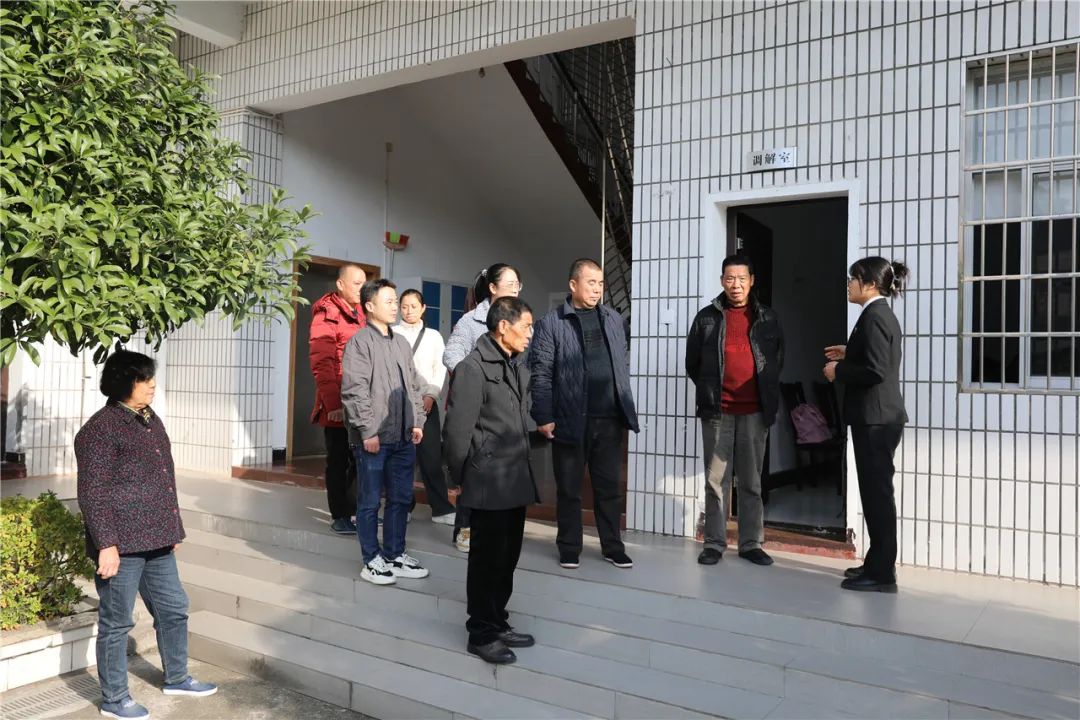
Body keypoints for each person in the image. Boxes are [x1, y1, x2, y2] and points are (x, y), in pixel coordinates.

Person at [75, 351, 217, 720]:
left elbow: (164, 476)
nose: (152, 384)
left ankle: (177, 677)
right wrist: (106, 544)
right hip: (121, 544)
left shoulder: (150, 419)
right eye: (143, 379)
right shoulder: (100, 430)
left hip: (158, 539)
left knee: (173, 610)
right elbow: (92, 492)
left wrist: (172, 526)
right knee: (117, 622)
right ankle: (115, 698)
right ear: (123, 383)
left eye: (151, 377)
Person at [443, 297, 539, 665]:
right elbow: (457, 432)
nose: (530, 334)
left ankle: (498, 621)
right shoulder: (472, 369)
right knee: (486, 560)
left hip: (514, 477)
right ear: (503, 327)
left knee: (507, 557)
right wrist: (455, 480)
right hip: (487, 481)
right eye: (525, 326)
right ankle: (480, 633)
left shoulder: (514, 364)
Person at [529, 258, 639, 570]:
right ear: (573, 284)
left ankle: (612, 547)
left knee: (609, 488)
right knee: (569, 489)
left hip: (609, 420)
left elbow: (619, 364)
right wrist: (543, 415)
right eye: (591, 283)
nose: (597, 289)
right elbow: (541, 373)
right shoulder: (551, 323)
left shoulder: (613, 319)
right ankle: (569, 547)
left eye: (601, 284)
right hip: (569, 419)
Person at [685, 255, 784, 567]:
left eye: (742, 278)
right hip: (718, 412)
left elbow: (776, 361)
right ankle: (714, 543)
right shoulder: (706, 318)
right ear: (721, 281)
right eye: (730, 278)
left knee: (751, 482)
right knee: (716, 480)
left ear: (751, 281)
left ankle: (751, 543)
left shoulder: (767, 317)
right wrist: (713, 391)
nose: (736, 285)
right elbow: (693, 364)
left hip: (755, 412)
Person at [824, 257, 909, 593]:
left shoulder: (875, 317)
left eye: (853, 278)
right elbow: (877, 360)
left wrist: (838, 371)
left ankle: (883, 574)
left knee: (878, 497)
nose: (848, 284)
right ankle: (876, 563)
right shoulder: (876, 314)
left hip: (876, 419)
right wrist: (850, 353)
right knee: (875, 495)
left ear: (870, 283)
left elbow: (875, 371)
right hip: (875, 418)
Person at [341, 279, 430, 586]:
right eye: (389, 301)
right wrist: (368, 431)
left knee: (400, 499)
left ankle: (394, 553)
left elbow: (413, 386)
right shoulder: (359, 343)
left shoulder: (401, 343)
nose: (395, 307)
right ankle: (371, 560)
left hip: (403, 437)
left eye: (395, 300)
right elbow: (354, 391)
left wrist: (417, 421)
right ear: (369, 306)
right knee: (369, 502)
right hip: (374, 439)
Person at [442, 263, 523, 553]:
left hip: (506, 409)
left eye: (518, 284)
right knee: (472, 470)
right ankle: (464, 528)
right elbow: (451, 353)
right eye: (510, 283)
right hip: (478, 408)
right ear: (492, 287)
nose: (515, 289)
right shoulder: (470, 321)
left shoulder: (521, 319)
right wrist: (472, 379)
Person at [309, 263, 367, 535]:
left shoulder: (363, 311)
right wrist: (333, 404)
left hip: (361, 399)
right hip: (338, 402)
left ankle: (355, 511)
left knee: (360, 459)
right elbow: (322, 362)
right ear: (340, 284)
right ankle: (339, 514)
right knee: (339, 459)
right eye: (356, 283)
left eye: (364, 283)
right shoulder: (327, 313)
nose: (361, 288)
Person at [395, 288, 455, 525]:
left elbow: (439, 368)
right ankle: (404, 506)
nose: (408, 311)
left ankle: (440, 508)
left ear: (423, 308)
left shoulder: (433, 336)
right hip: (398, 406)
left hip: (426, 404)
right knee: (402, 460)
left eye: (413, 306)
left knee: (431, 458)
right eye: (404, 306)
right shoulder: (392, 333)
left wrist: (431, 395)